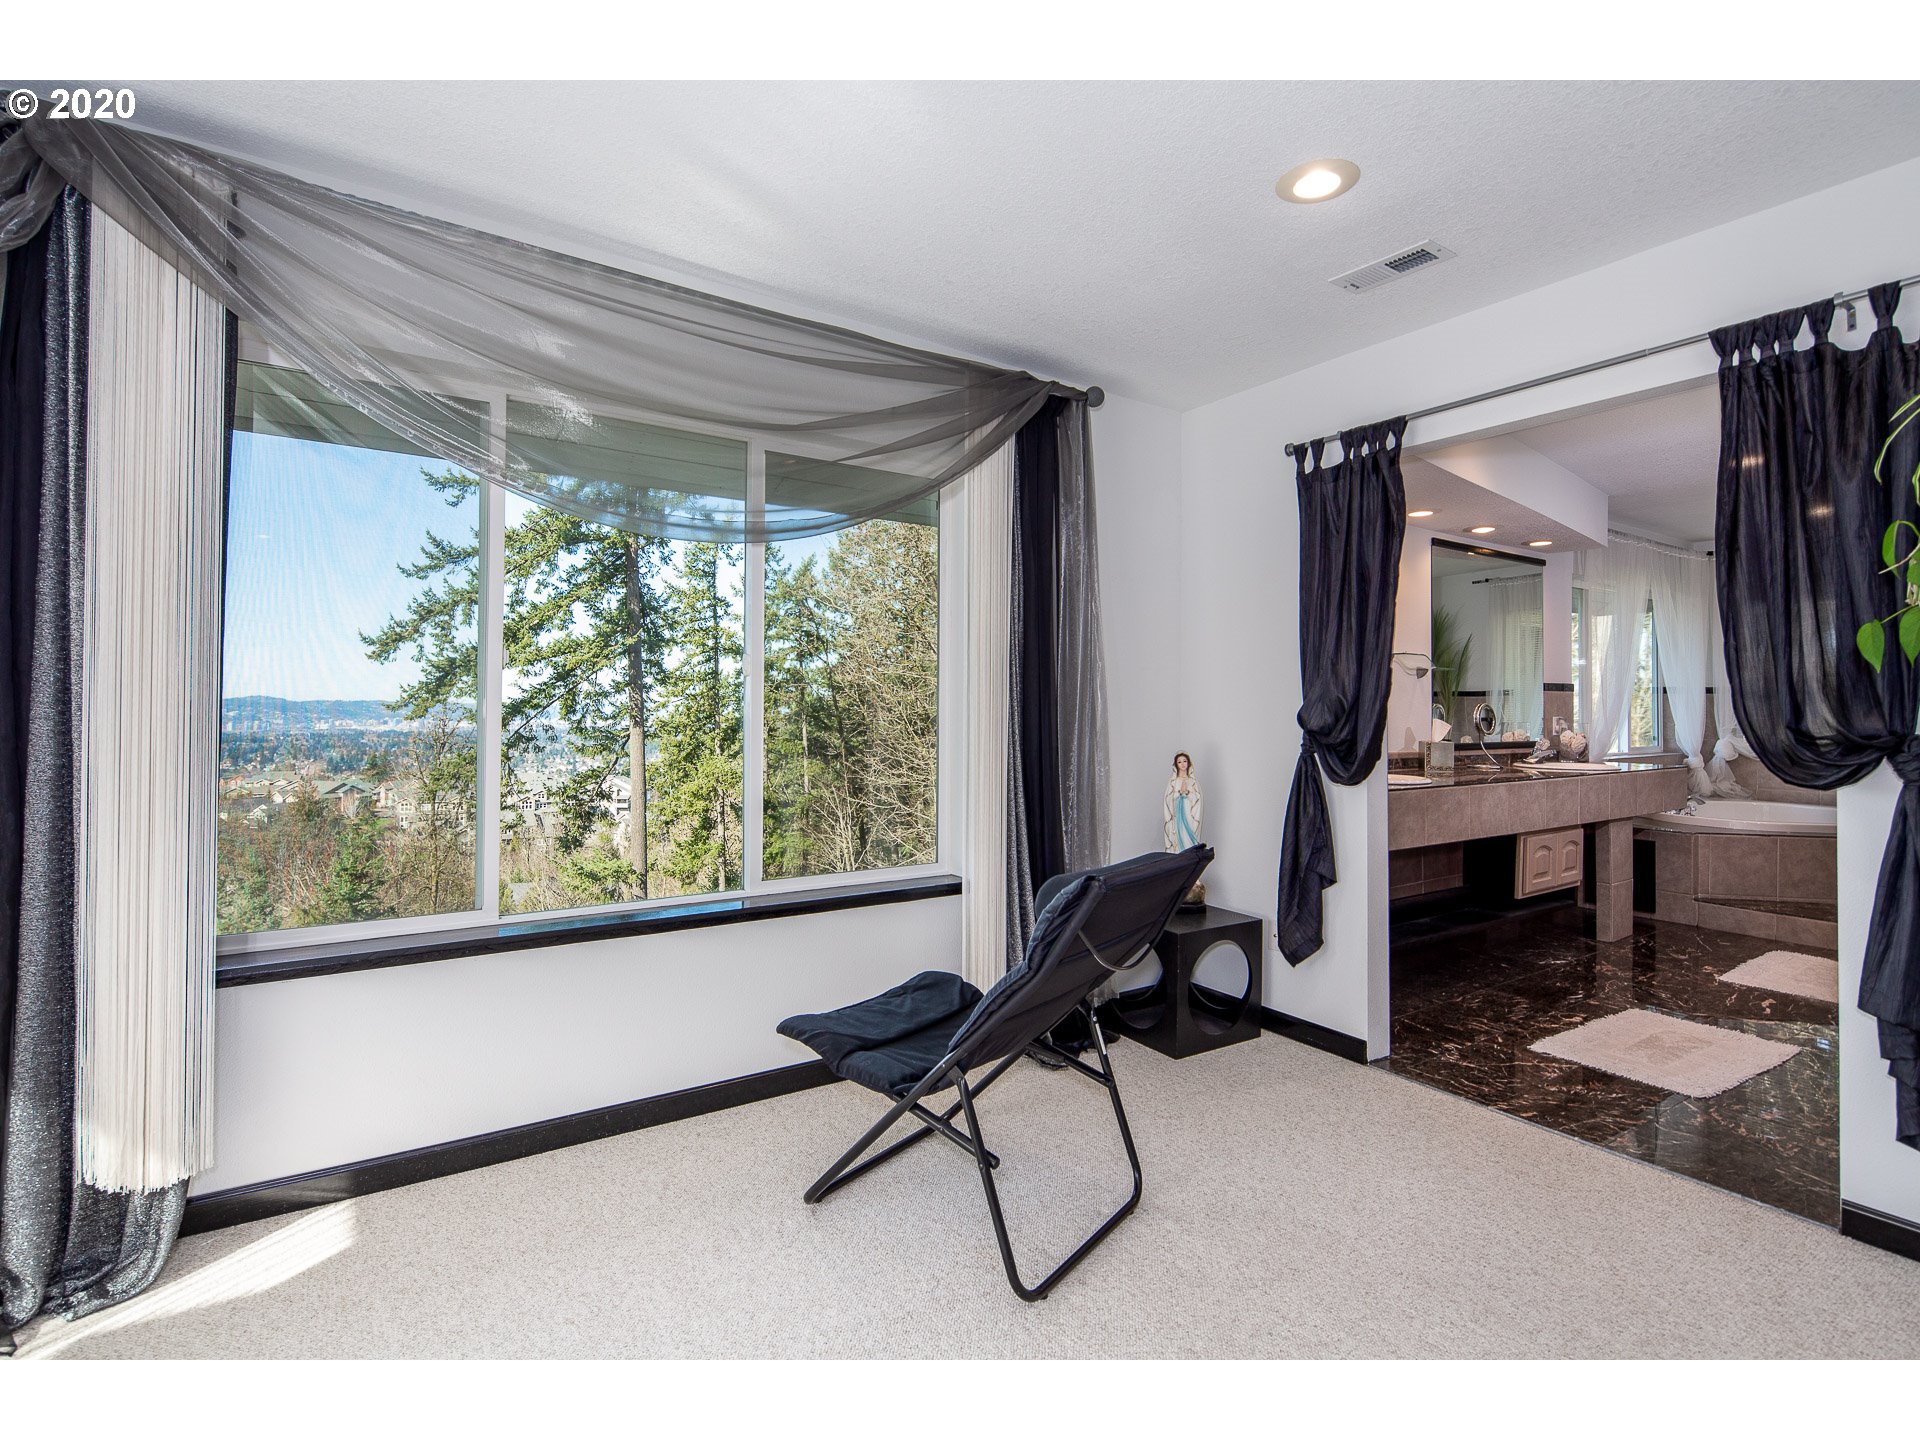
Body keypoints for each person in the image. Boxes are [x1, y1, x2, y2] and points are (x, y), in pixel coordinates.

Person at [1163, 751, 1203, 852]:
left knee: (1188, 838)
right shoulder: (1173, 782)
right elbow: (1168, 799)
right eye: (1179, 762)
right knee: (1177, 837)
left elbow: (1197, 800)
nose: (1182, 764)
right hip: (1177, 815)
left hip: (1189, 814)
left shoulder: (1193, 782)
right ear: (1176, 764)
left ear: (1188, 763)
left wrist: (1187, 793)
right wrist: (1179, 793)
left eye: (1184, 761)